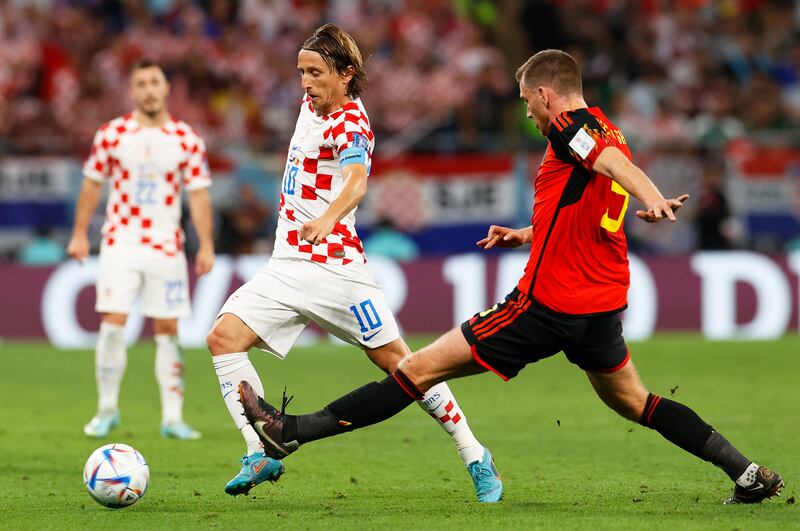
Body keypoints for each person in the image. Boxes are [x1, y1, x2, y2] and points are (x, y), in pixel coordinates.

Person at [239, 49, 784, 505]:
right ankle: (748, 473)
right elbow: (589, 203)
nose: (528, 114)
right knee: (636, 401)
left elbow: (616, 169)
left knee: (418, 369)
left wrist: (652, 197)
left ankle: (291, 434)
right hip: (599, 308)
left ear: (547, 95)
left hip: (547, 305)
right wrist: (527, 233)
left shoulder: (572, 127)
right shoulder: (607, 130)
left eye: (528, 102)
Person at [205, 24, 501, 502]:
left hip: (338, 269)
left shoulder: (352, 124)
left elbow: (357, 181)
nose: (305, 82)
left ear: (346, 75)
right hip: (286, 264)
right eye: (301, 72)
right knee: (223, 338)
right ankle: (257, 452)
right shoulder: (310, 105)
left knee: (404, 367)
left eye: (316, 73)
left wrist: (326, 217)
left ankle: (474, 453)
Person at [67, 59, 215, 440]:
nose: (149, 89)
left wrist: (206, 244)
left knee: (168, 328)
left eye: (155, 82)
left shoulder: (186, 139)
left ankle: (172, 416)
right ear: (132, 91)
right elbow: (91, 185)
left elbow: (198, 196)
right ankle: (106, 409)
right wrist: (80, 233)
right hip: (121, 242)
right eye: (141, 84)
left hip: (167, 245)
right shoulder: (112, 135)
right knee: (113, 324)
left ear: (166, 88)